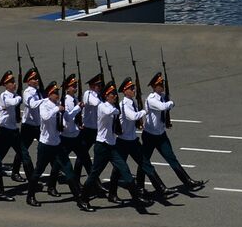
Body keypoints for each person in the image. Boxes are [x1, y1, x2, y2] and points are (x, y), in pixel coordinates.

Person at [79, 80, 140, 210]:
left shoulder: (113, 107)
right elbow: (109, 112)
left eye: (115, 94)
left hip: (112, 147)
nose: (115, 96)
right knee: (94, 174)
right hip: (102, 146)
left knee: (125, 170)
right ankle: (83, 199)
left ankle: (136, 199)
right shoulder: (103, 106)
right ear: (106, 96)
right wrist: (117, 109)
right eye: (112, 94)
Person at [27, 81, 88, 209]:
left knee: (68, 171)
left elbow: (68, 117)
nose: (57, 95)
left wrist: (77, 109)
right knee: (39, 171)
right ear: (49, 94)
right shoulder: (45, 104)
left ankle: (79, 199)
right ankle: (30, 196)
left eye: (57, 92)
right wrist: (57, 109)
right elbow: (45, 117)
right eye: (54, 93)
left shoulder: (59, 104)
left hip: (57, 144)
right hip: (46, 145)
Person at [139, 72, 201, 191]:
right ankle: (140, 186)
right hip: (150, 136)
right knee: (144, 161)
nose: (162, 86)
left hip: (161, 135)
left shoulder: (162, 97)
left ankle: (187, 181)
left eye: (162, 83)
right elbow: (163, 107)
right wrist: (171, 102)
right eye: (159, 84)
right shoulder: (151, 99)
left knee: (171, 158)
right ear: (154, 86)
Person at [117, 77, 170, 203]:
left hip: (133, 140)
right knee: (118, 171)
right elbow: (132, 116)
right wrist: (145, 111)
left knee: (145, 163)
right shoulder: (123, 104)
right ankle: (113, 193)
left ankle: (161, 188)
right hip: (123, 141)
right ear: (125, 91)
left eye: (134, 88)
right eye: (131, 88)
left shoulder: (133, 102)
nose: (134, 90)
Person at [0, 71, 36, 187]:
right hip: (4, 131)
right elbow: (11, 103)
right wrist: (18, 98)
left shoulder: (14, 95)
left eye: (14, 82)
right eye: (11, 82)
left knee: (24, 155)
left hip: (13, 131)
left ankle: (33, 181)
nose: (14, 84)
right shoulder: (4, 95)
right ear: (5, 84)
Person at [60, 75, 92, 188]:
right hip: (67, 136)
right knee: (59, 163)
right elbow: (68, 117)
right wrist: (78, 108)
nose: (75, 88)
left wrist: (80, 123)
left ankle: (94, 183)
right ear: (67, 88)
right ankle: (51, 185)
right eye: (73, 86)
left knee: (86, 160)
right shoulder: (65, 101)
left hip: (76, 135)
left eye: (76, 85)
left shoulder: (75, 99)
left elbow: (77, 116)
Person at [18, 68, 42, 182]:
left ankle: (56, 168)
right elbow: (32, 105)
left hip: (38, 124)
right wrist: (44, 100)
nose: (36, 80)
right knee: (23, 149)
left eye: (37, 78)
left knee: (47, 146)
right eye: (34, 79)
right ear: (28, 81)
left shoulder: (38, 91)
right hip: (28, 125)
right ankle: (15, 171)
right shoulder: (27, 92)